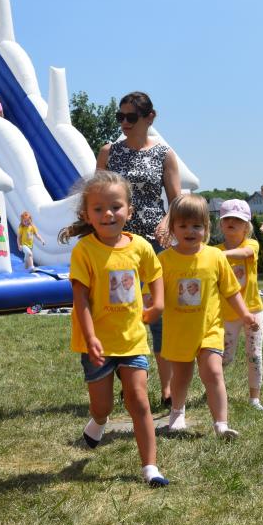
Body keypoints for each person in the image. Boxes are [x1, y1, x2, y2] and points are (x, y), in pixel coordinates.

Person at [58, 170, 167, 487]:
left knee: (139, 400)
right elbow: (80, 299)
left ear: (129, 211)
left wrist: (158, 304)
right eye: (99, 208)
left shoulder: (140, 246)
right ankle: (98, 421)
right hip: (97, 345)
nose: (108, 213)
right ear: (86, 215)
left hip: (132, 339)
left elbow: (155, 274)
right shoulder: (84, 251)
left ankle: (150, 468)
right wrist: (90, 336)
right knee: (102, 405)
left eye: (116, 207)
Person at [96, 91, 181, 409]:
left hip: (156, 243)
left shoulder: (164, 154)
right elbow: (97, 197)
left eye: (131, 117)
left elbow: (175, 199)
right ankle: (130, 382)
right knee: (122, 312)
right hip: (117, 243)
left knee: (158, 314)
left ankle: (168, 388)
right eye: (120, 116)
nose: (124, 122)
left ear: (150, 117)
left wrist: (168, 222)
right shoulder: (109, 152)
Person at [158, 194, 259, 438]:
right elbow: (152, 293)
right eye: (183, 225)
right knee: (181, 376)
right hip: (179, 332)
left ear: (206, 227)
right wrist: (148, 307)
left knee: (214, 372)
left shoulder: (215, 257)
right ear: (172, 229)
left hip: (210, 329)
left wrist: (245, 314)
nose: (190, 231)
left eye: (197, 225)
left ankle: (221, 425)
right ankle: (177, 413)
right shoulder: (164, 260)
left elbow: (231, 291)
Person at [216, 199, 263, 411]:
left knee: (254, 354)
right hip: (227, 314)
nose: (232, 222)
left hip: (253, 310)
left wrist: (217, 255)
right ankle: (214, 389)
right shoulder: (214, 250)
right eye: (227, 218)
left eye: (237, 220)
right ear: (220, 224)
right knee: (225, 357)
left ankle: (254, 398)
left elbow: (244, 254)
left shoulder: (251, 245)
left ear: (247, 226)